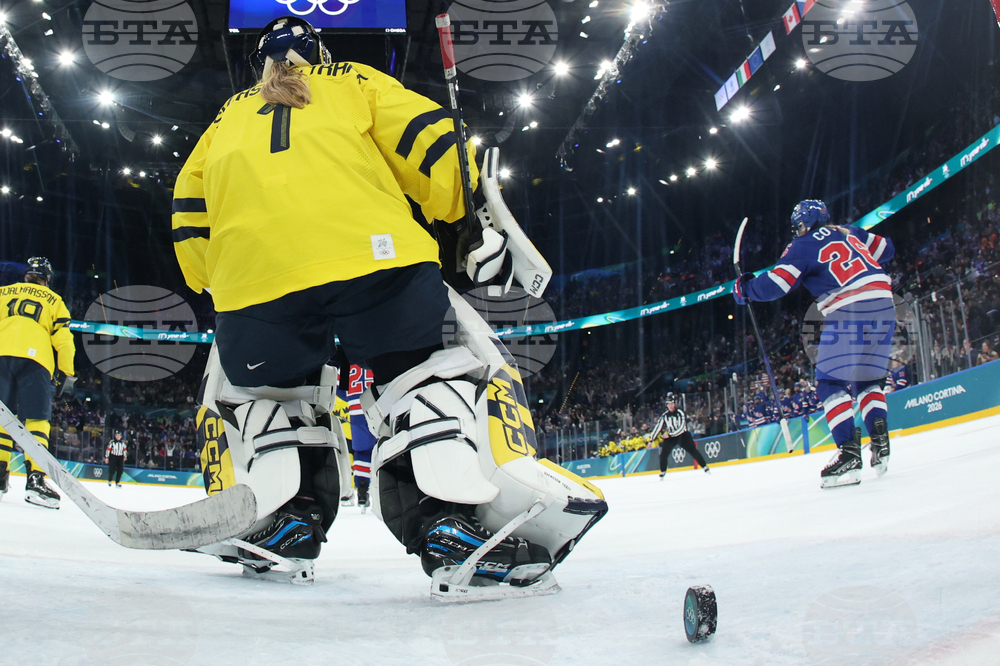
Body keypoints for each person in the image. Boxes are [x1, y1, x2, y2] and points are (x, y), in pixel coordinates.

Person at [175, 16, 605, 590]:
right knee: (422, 374)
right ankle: (450, 518)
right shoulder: (351, 79)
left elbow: (188, 206)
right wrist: (465, 212)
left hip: (253, 278)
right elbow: (427, 138)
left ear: (261, 64)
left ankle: (285, 520)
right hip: (375, 257)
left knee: (272, 395)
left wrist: (215, 277)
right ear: (318, 52)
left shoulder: (225, 117)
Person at [734, 200, 894, 488]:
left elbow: (778, 284)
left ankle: (849, 454)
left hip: (849, 308)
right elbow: (887, 249)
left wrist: (745, 288)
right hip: (884, 304)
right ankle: (880, 441)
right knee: (867, 381)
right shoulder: (849, 231)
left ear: (804, 222)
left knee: (830, 383)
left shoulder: (802, 245)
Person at [0, 257, 76, 508]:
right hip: (36, 359)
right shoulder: (54, 300)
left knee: (2, 417)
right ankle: (35, 480)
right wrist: (67, 374)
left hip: (2, 352)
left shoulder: (4, 292)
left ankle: (0, 475)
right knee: (37, 420)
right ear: (47, 279)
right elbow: (64, 340)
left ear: (26, 275)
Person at [650, 393, 710, 479]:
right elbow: (658, 427)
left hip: (683, 436)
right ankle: (663, 471)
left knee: (693, 451)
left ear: (674, 404)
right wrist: (651, 439)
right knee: (663, 454)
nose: (670, 406)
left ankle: (705, 467)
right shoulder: (665, 416)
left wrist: (669, 434)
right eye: (668, 404)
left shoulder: (680, 413)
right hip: (671, 438)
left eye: (672, 403)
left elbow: (681, 428)